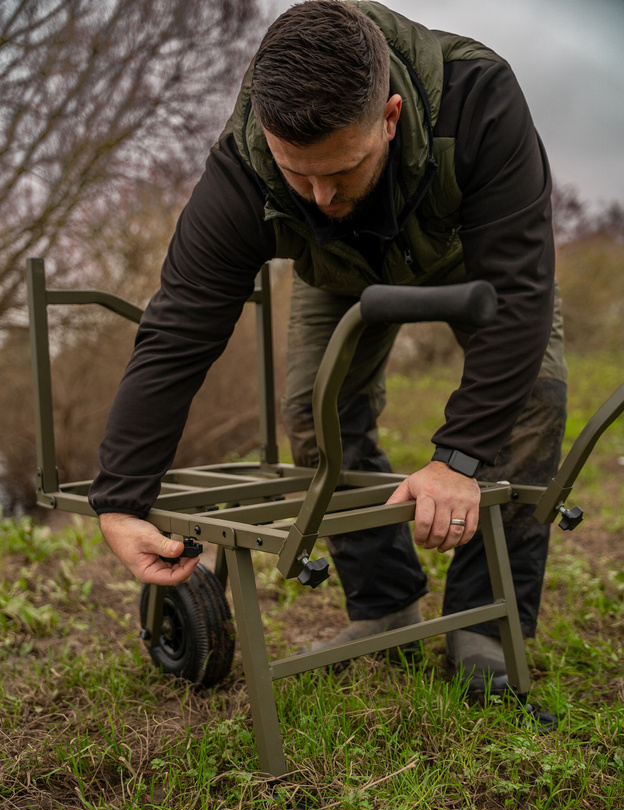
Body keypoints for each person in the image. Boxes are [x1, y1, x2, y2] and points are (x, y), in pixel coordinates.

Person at [89, 0, 567, 692]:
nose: (318, 196)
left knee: (532, 409)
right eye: (296, 173)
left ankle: (484, 628)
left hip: (476, 265)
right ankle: (386, 601)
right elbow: (179, 329)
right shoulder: (241, 171)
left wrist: (456, 458)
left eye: (341, 171)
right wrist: (121, 497)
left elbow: (521, 294)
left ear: (391, 117)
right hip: (339, 275)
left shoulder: (479, 97)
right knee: (317, 418)